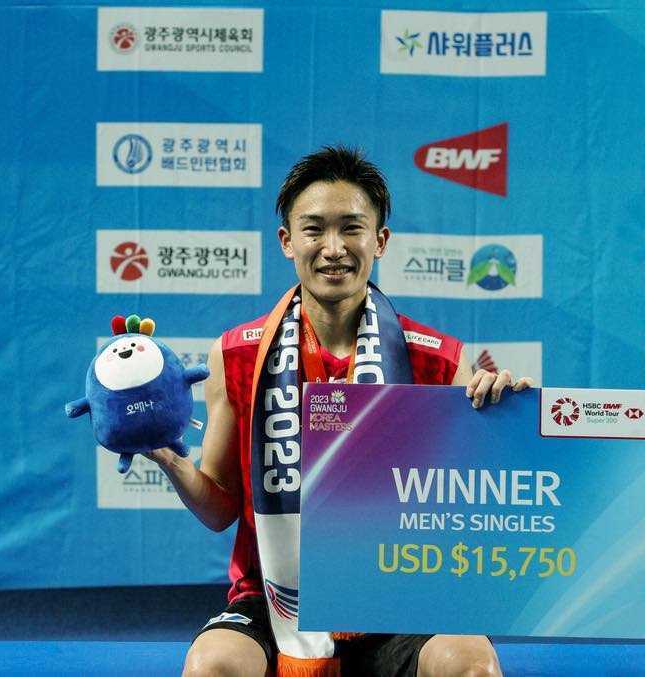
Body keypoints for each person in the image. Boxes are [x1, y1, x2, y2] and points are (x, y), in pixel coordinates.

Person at [146, 147, 532, 677]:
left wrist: (504, 424)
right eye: (314, 229)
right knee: (211, 665)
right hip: (273, 597)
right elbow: (219, 511)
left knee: (471, 665)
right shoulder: (237, 355)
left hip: (402, 595)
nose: (333, 248)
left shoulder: (438, 360)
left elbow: (478, 503)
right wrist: (168, 457)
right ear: (287, 241)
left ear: (380, 240)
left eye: (352, 228)